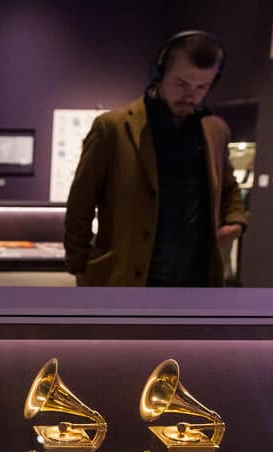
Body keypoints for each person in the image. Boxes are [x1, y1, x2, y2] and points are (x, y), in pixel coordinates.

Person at [64, 31, 247, 287]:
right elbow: (80, 205)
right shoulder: (112, 128)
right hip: (126, 282)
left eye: (202, 87)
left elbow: (228, 187)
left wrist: (236, 220)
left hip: (196, 283)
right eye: (181, 84)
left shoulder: (216, 131)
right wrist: (79, 268)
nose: (191, 95)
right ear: (159, 74)